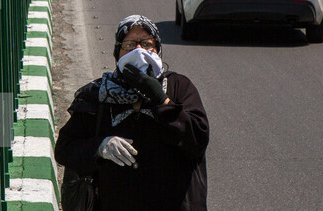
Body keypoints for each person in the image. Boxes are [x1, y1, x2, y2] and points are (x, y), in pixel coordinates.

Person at [55, 15, 209, 211]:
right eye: (129, 45)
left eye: (147, 44)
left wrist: (161, 100)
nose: (139, 51)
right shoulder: (98, 94)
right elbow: (65, 149)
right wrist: (100, 147)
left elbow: (198, 139)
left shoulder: (178, 87)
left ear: (158, 50)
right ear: (117, 53)